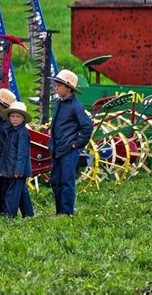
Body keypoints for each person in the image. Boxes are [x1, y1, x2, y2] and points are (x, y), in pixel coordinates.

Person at [48, 69, 93, 216]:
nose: (56, 88)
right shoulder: (59, 103)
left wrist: (76, 144)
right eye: (56, 85)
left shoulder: (76, 106)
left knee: (67, 182)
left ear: (68, 88)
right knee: (55, 181)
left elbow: (87, 127)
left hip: (68, 151)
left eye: (59, 85)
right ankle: (59, 211)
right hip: (57, 149)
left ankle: (66, 213)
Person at [0, 89, 34, 217]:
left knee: (12, 190)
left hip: (7, 162)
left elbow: (18, 150)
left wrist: (16, 167)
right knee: (7, 188)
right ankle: (26, 214)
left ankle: (9, 213)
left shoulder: (14, 127)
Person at [0, 101, 33, 218]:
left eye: (18, 117)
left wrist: (18, 170)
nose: (15, 119)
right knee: (22, 192)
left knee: (12, 193)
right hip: (11, 167)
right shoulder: (12, 131)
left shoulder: (22, 133)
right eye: (12, 116)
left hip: (17, 170)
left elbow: (22, 153)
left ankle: (9, 215)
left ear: (23, 119)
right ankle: (28, 214)